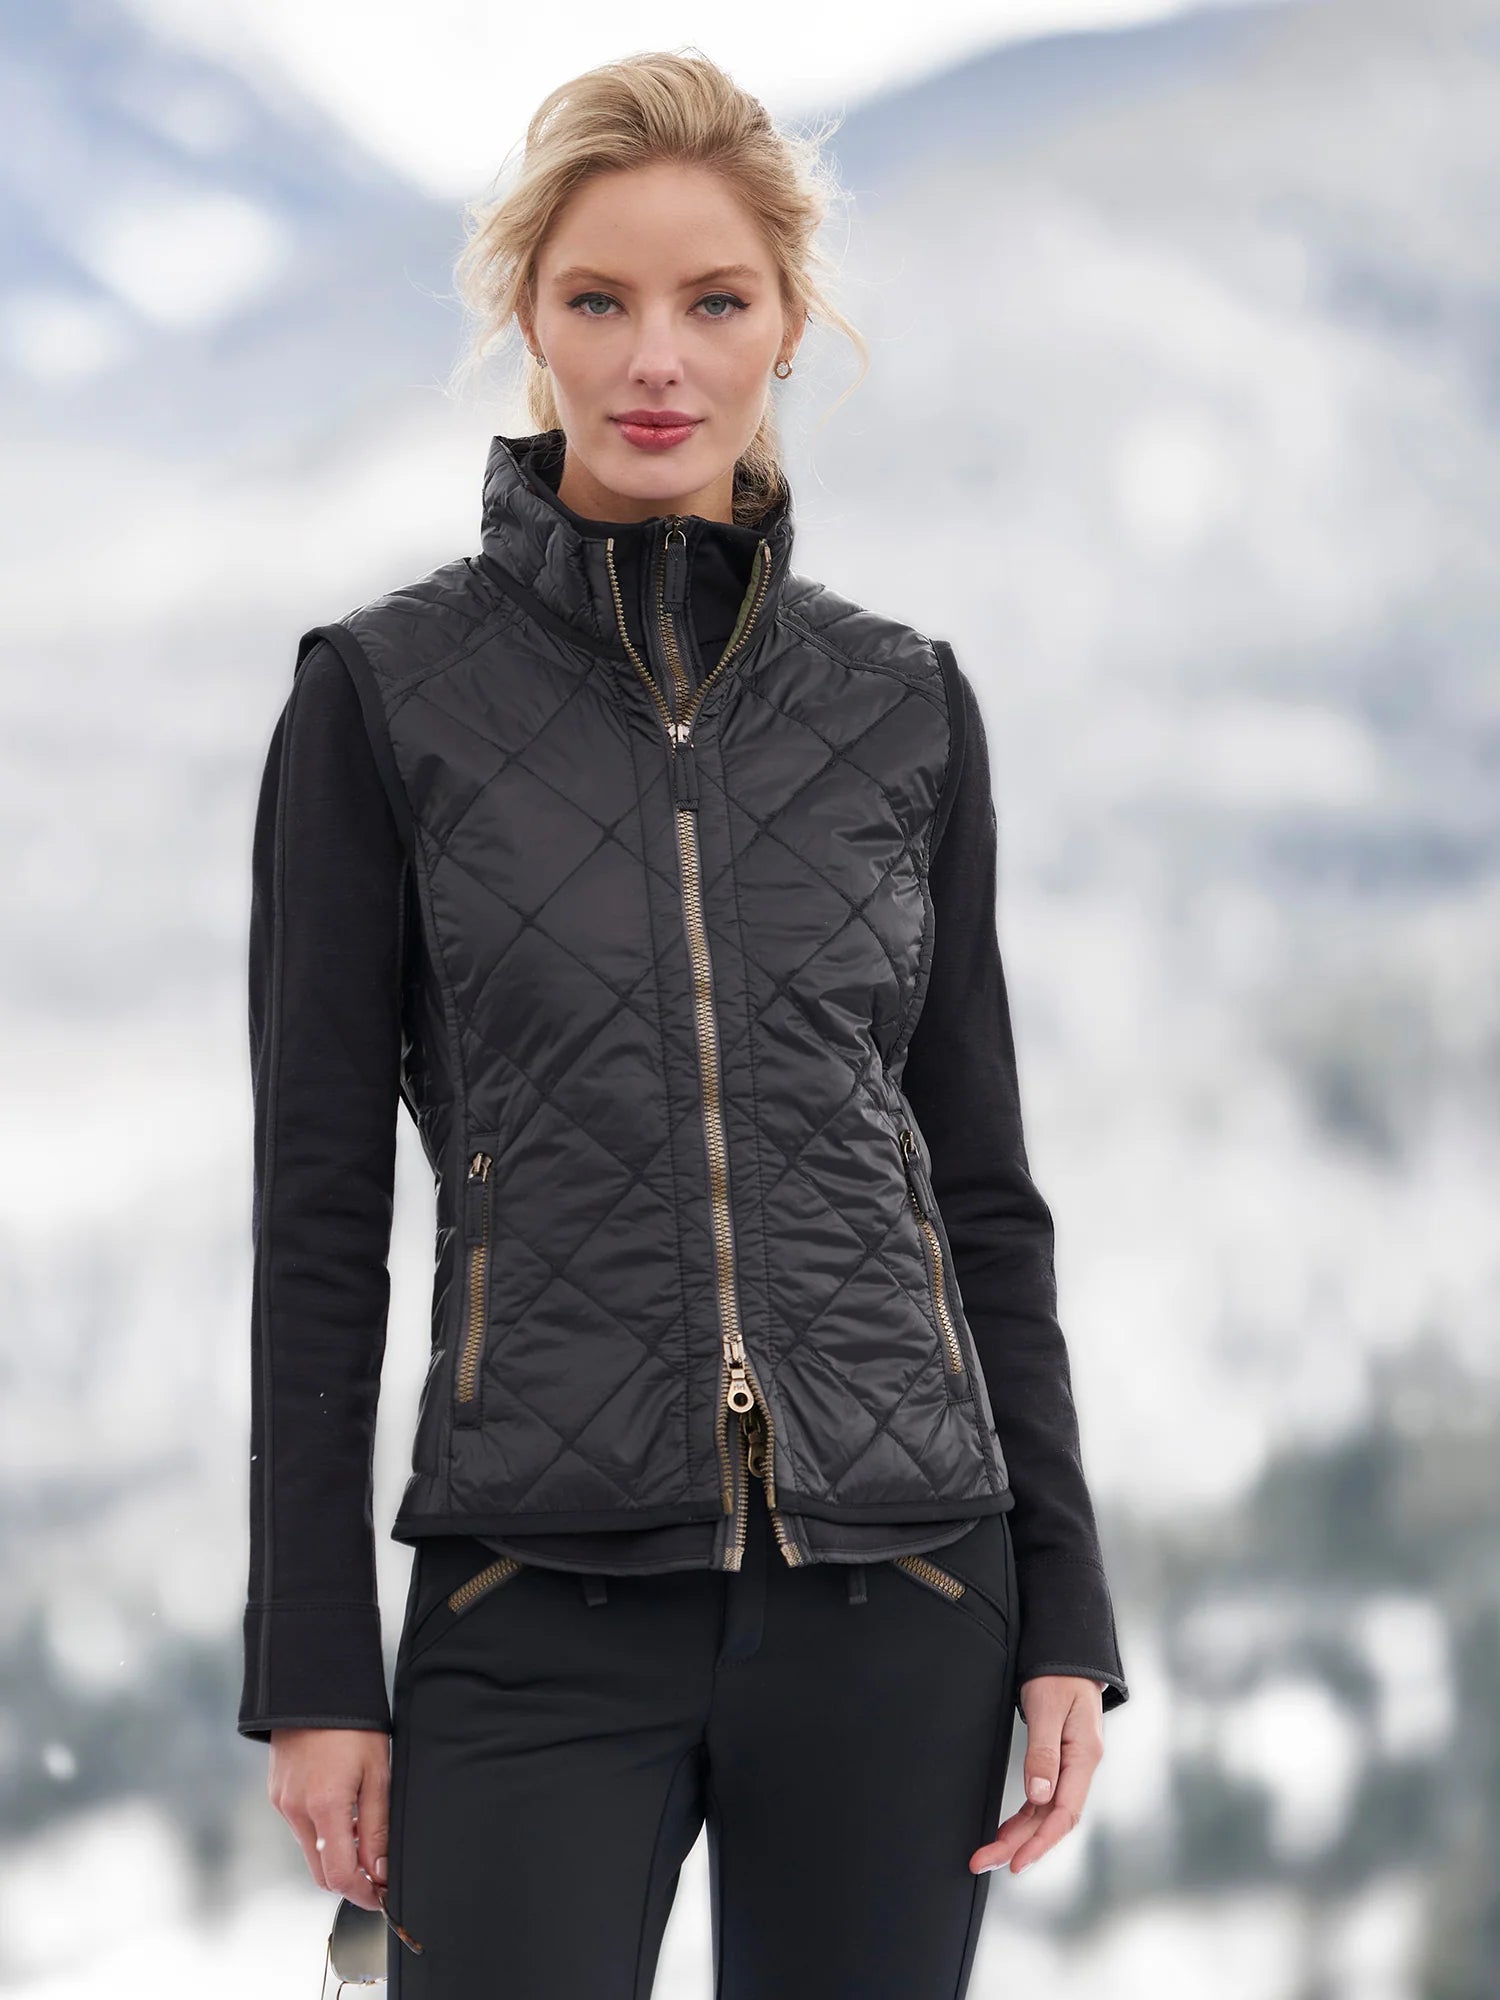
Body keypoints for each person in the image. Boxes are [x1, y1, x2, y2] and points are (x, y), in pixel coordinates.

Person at [239, 48, 1129, 1999]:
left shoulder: (903, 708)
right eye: (600, 300)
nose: (658, 359)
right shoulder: (380, 702)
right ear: (527, 317)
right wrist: (313, 1668)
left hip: (907, 1587)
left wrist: (1065, 1606)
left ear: (788, 321)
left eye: (715, 301)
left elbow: (980, 1190)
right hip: (529, 1592)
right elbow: (316, 1221)